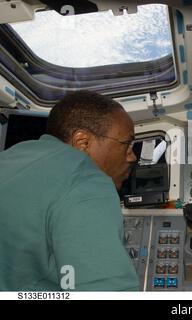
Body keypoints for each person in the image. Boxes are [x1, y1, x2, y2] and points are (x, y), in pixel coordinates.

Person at [0, 90, 140, 291]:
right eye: (127, 144)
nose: (132, 157)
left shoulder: (11, 157)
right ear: (82, 142)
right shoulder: (86, 181)